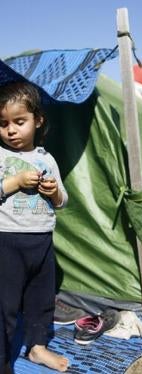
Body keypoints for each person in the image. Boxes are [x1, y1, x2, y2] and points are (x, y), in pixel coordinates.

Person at [0, 82, 69, 373]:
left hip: (41, 241)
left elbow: (63, 201)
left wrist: (53, 191)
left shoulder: (46, 158)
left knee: (41, 300)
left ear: (37, 120)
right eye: (3, 124)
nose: (11, 130)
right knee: (5, 307)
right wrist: (14, 183)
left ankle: (37, 348)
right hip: (7, 241)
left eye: (19, 121)